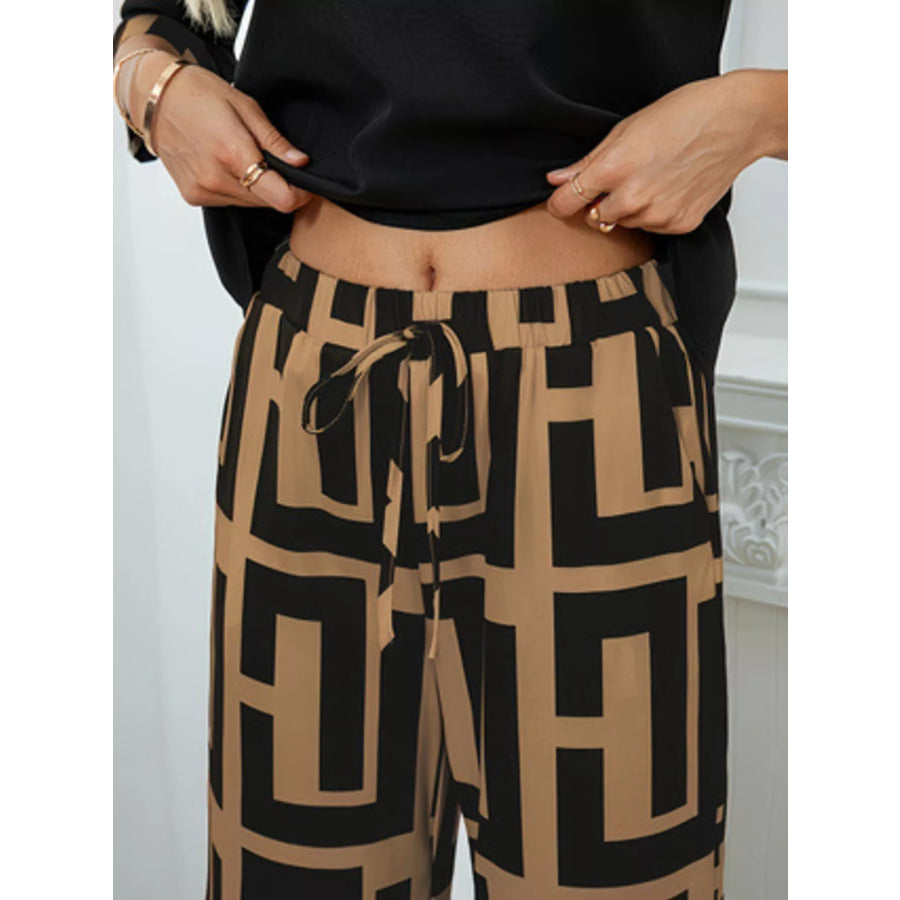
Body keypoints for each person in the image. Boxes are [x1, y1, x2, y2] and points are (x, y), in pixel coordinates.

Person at [113, 2, 787, 897]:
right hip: (318, 382)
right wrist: (151, 85)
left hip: (592, 389)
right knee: (292, 874)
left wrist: (763, 111)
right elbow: (163, 17)